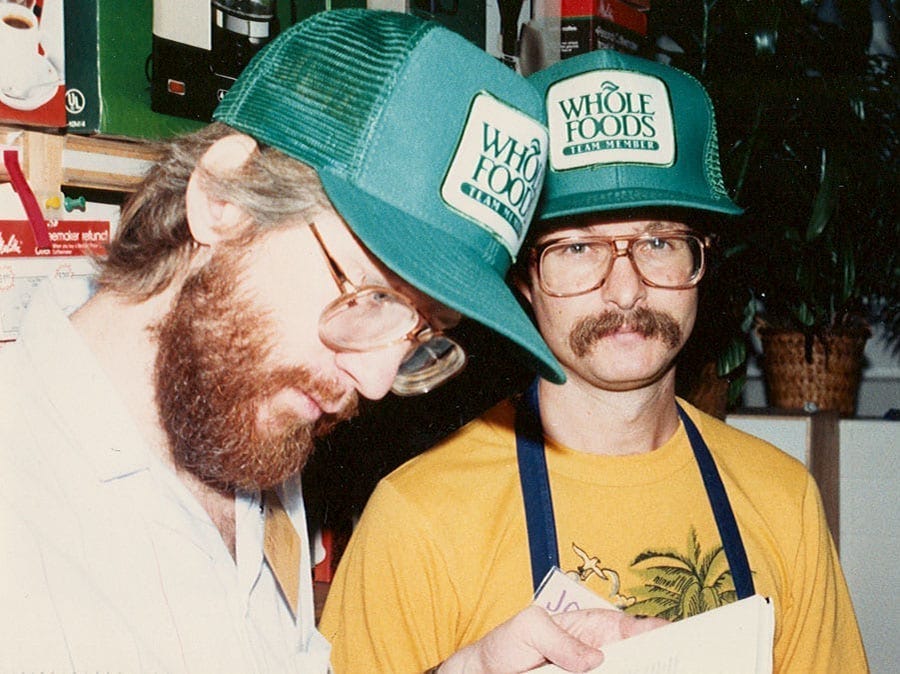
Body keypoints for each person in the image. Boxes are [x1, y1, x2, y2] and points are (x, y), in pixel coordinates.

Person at [0, 10, 662, 673]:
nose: (375, 382)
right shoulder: (26, 503)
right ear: (223, 198)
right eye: (371, 297)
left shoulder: (244, 438)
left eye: (424, 331)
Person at [319, 49, 870, 673]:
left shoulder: (784, 499)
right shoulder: (416, 517)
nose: (626, 289)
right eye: (578, 247)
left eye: (659, 242)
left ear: (703, 260)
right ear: (524, 276)